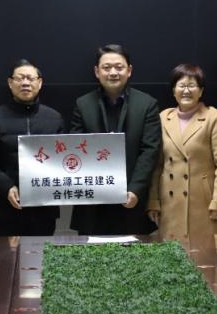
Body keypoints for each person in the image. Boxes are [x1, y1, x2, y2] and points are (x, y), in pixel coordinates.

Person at [69, 44, 161, 235]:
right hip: (92, 202)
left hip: (132, 200)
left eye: (119, 67)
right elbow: (75, 149)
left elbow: (150, 151)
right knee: (90, 253)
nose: (113, 73)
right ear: (97, 71)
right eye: (106, 67)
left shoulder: (147, 104)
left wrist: (135, 189)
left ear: (129, 70)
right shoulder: (83, 104)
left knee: (134, 252)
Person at [0, 60, 65, 236]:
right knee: (6, 254)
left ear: (40, 83)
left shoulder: (54, 118)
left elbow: (63, 160)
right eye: (19, 78)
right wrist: (6, 186)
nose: (25, 83)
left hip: (44, 209)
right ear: (10, 83)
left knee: (41, 253)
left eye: (30, 78)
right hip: (5, 208)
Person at [146, 64, 217, 240]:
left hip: (203, 202)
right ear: (174, 91)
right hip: (169, 201)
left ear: (201, 91)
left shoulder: (213, 117)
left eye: (192, 85)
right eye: (181, 85)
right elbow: (157, 165)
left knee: (206, 253)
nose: (186, 90)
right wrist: (153, 201)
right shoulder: (163, 118)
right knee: (172, 253)